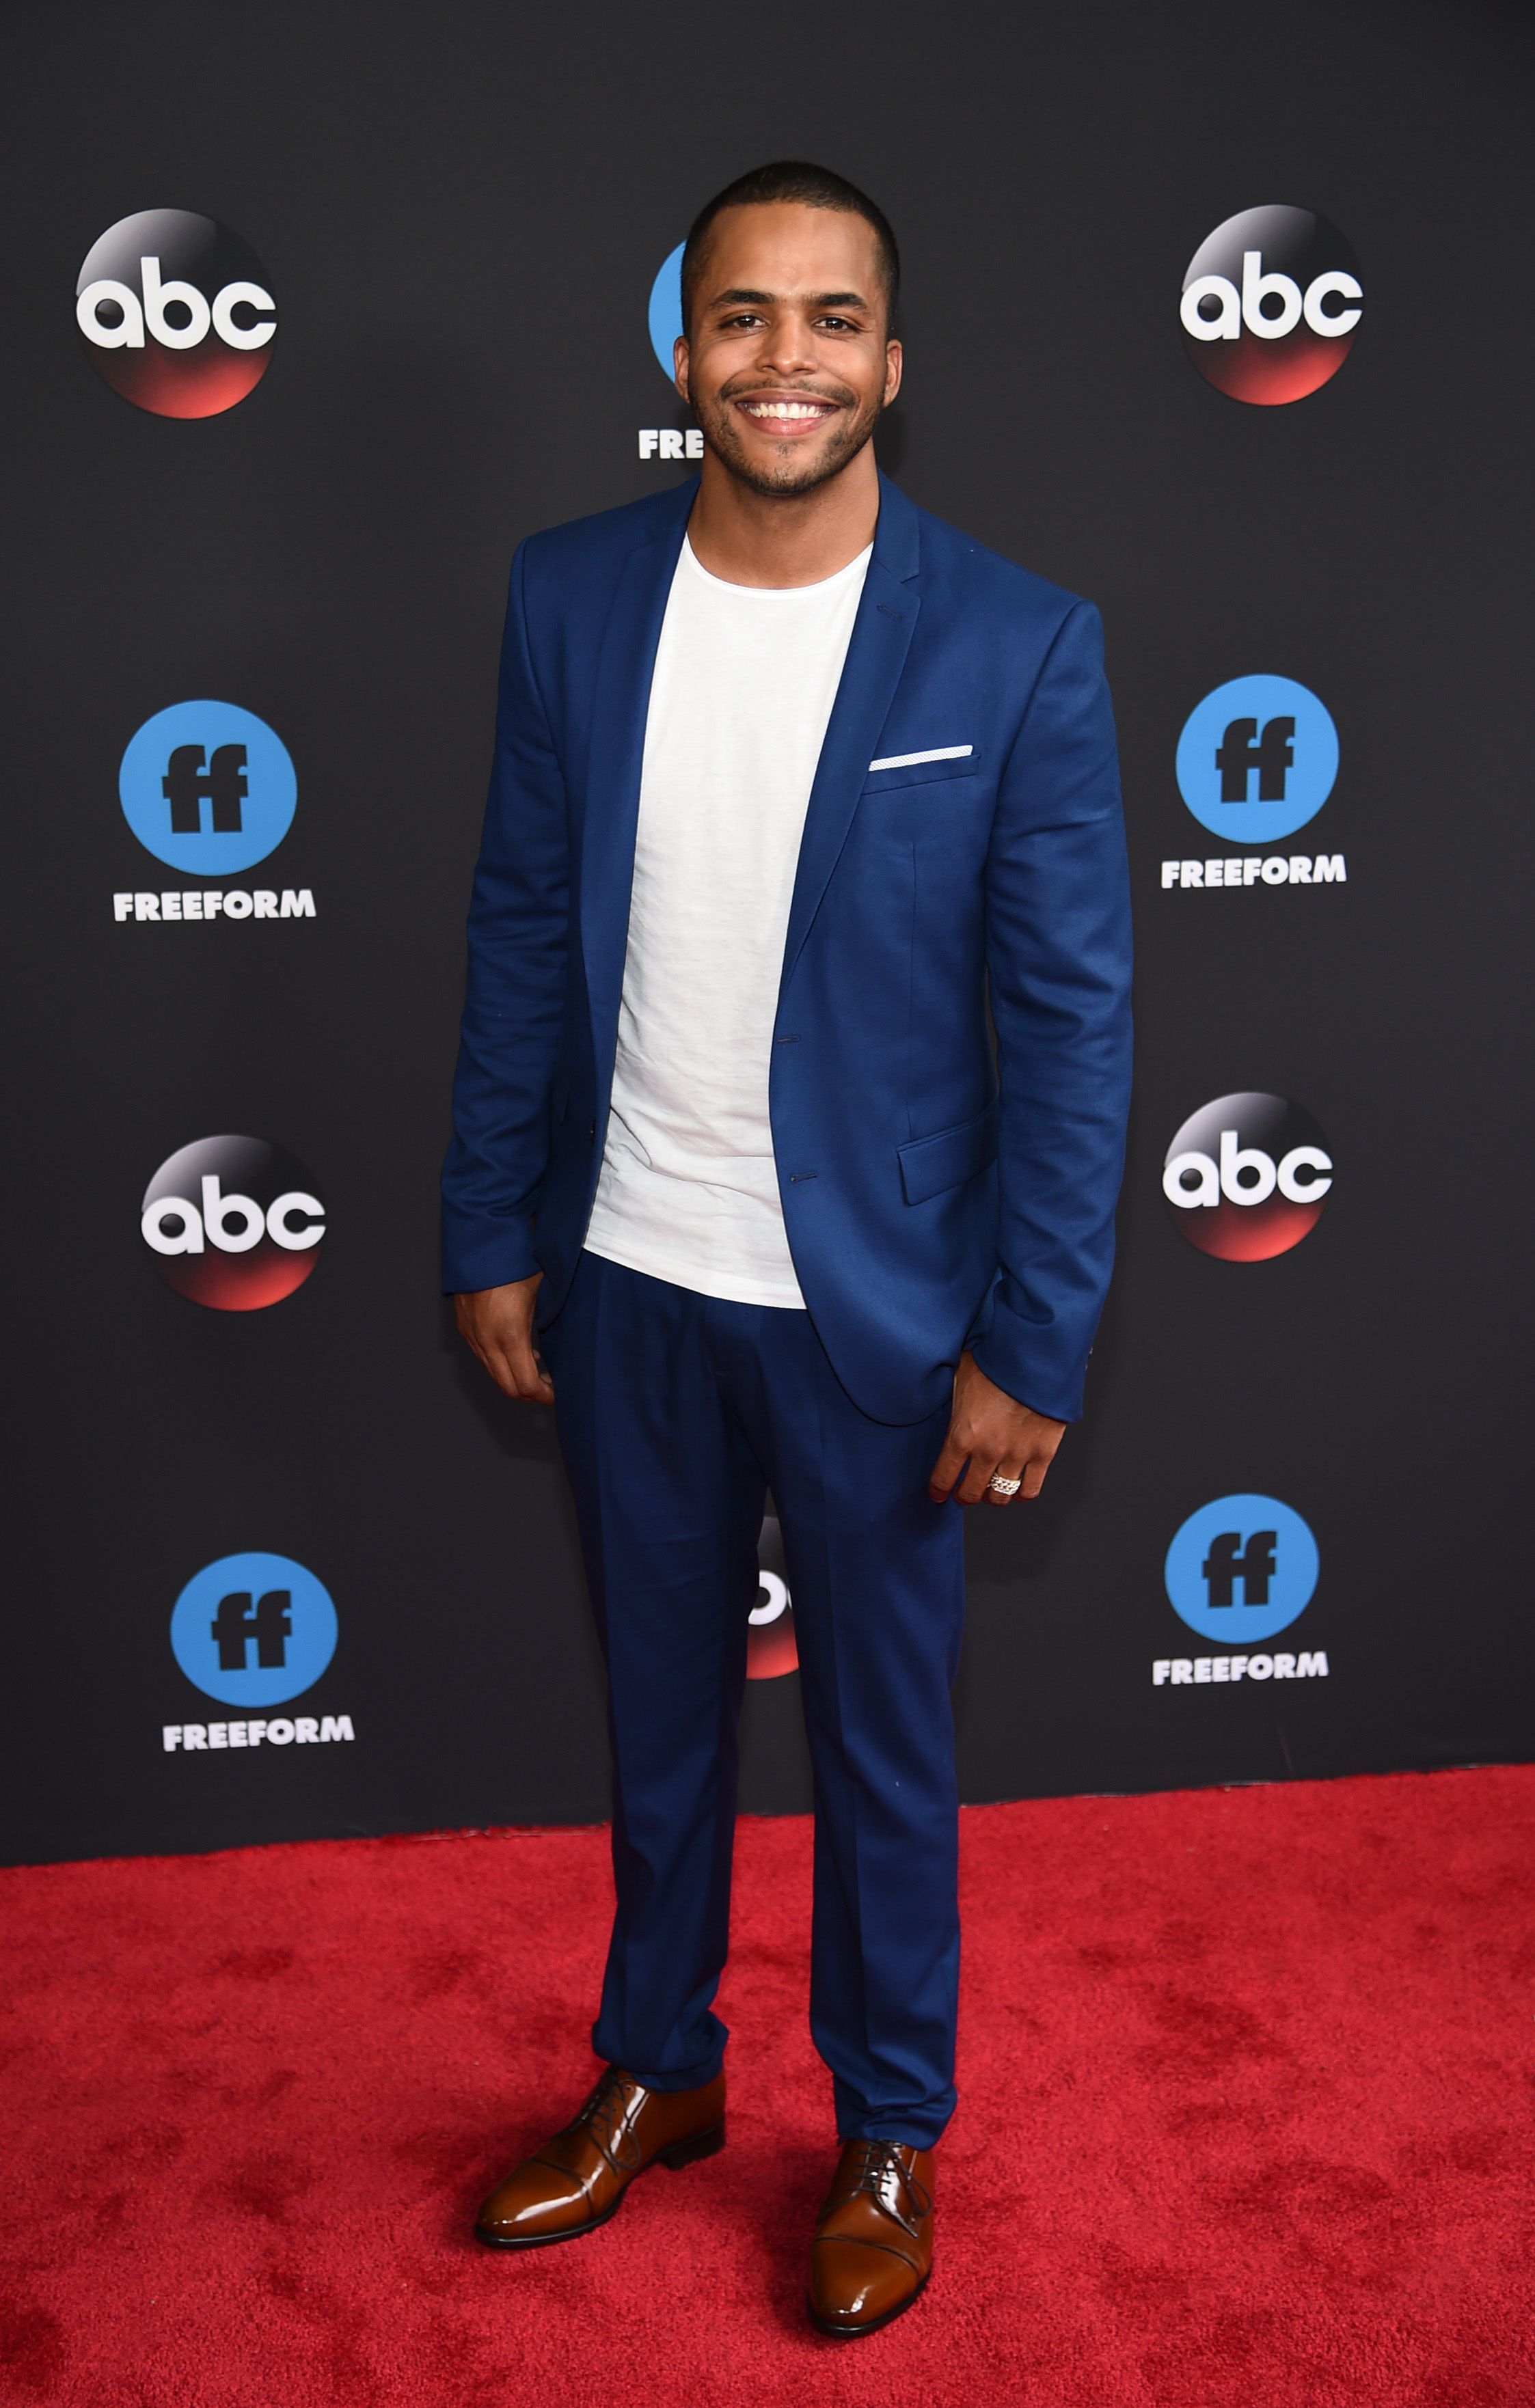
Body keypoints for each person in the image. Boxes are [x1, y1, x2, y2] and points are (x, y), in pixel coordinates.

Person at [442, 160, 1132, 2338]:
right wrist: (488, 1219)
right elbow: (518, 938)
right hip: (630, 1273)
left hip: (881, 1319)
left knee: (881, 1754)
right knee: (659, 1726)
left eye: (833, 320)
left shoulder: (1017, 640)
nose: (787, 359)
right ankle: (657, 2068)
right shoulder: (568, 599)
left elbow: (1075, 1014)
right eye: (744, 317)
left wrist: (1034, 1335)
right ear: (684, 352)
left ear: (893, 366)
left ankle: (891, 2122)